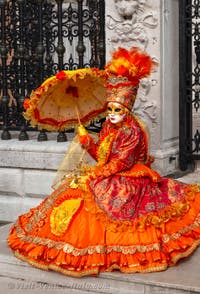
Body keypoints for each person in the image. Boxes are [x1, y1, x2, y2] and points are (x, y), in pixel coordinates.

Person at [7, 47, 200, 278]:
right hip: (107, 172)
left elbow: (120, 163)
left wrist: (93, 175)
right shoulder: (109, 126)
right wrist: (87, 141)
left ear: (126, 108)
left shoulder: (131, 130)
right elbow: (102, 154)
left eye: (117, 109)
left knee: (99, 193)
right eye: (109, 109)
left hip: (126, 177)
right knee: (73, 190)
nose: (111, 113)